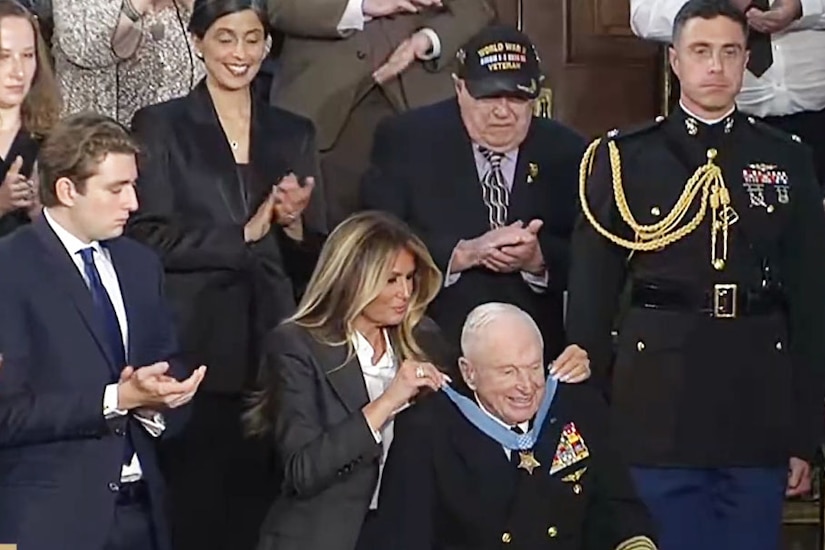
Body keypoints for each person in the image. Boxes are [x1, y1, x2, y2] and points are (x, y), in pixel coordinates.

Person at [566, 1, 825, 549]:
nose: (716, 67)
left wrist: (805, 434)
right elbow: (590, 306)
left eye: (730, 52)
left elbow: (810, 305)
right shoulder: (622, 160)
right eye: (701, 51)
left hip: (756, 408)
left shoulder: (786, 159)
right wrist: (593, 421)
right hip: (654, 409)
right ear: (675, 60)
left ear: (746, 59)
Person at [247, 210, 593, 550]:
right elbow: (303, 471)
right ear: (353, 279)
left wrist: (556, 370)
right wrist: (388, 401)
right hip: (325, 536)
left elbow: (484, 391)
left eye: (410, 278)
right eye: (391, 280)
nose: (405, 292)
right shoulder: (296, 346)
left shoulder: (423, 338)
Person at [125, 1, 325, 548]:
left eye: (252, 39)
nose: (240, 53)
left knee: (265, 515)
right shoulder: (160, 125)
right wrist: (245, 233)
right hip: (194, 348)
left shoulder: (294, 132)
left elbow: (317, 255)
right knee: (196, 513)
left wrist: (293, 224)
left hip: (275, 351)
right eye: (225, 38)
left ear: (267, 45)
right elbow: (144, 236)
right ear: (198, 42)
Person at [0, 112, 207, 550]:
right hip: (48, 523)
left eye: (133, 186)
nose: (133, 202)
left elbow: (165, 362)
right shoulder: (10, 269)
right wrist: (115, 400)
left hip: (141, 515)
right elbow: (7, 414)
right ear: (67, 190)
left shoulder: (139, 265)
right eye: (117, 189)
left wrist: (158, 402)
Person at [362, 25, 587, 363]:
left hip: (533, 351)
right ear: (460, 88)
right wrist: (462, 253)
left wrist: (537, 259)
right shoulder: (407, 139)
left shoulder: (568, 151)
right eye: (489, 97)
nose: (503, 112)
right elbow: (375, 240)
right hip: (430, 341)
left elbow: (590, 256)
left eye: (517, 98)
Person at [376, 302, 657, 550]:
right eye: (508, 372)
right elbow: (404, 538)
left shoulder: (579, 407)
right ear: (469, 373)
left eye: (534, 367)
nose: (526, 386)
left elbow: (618, 507)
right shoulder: (427, 430)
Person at [266, 0, 495, 226]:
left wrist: (428, 39)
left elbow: (476, 7)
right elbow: (279, 7)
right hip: (326, 105)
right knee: (337, 238)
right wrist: (361, 5)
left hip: (423, 98)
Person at [630, 0, 825, 189]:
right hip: (719, 125)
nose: (716, 66)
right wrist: (715, 7)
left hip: (816, 115)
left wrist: (804, 7)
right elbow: (644, 15)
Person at [52, 0, 204, 125]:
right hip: (104, 135)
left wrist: (196, 6)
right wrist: (134, 8)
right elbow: (82, 48)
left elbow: (211, 28)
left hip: (184, 131)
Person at [0, 0, 60, 237]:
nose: (18, 72)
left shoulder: (51, 139)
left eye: (27, 55)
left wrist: (45, 212)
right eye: (3, 57)